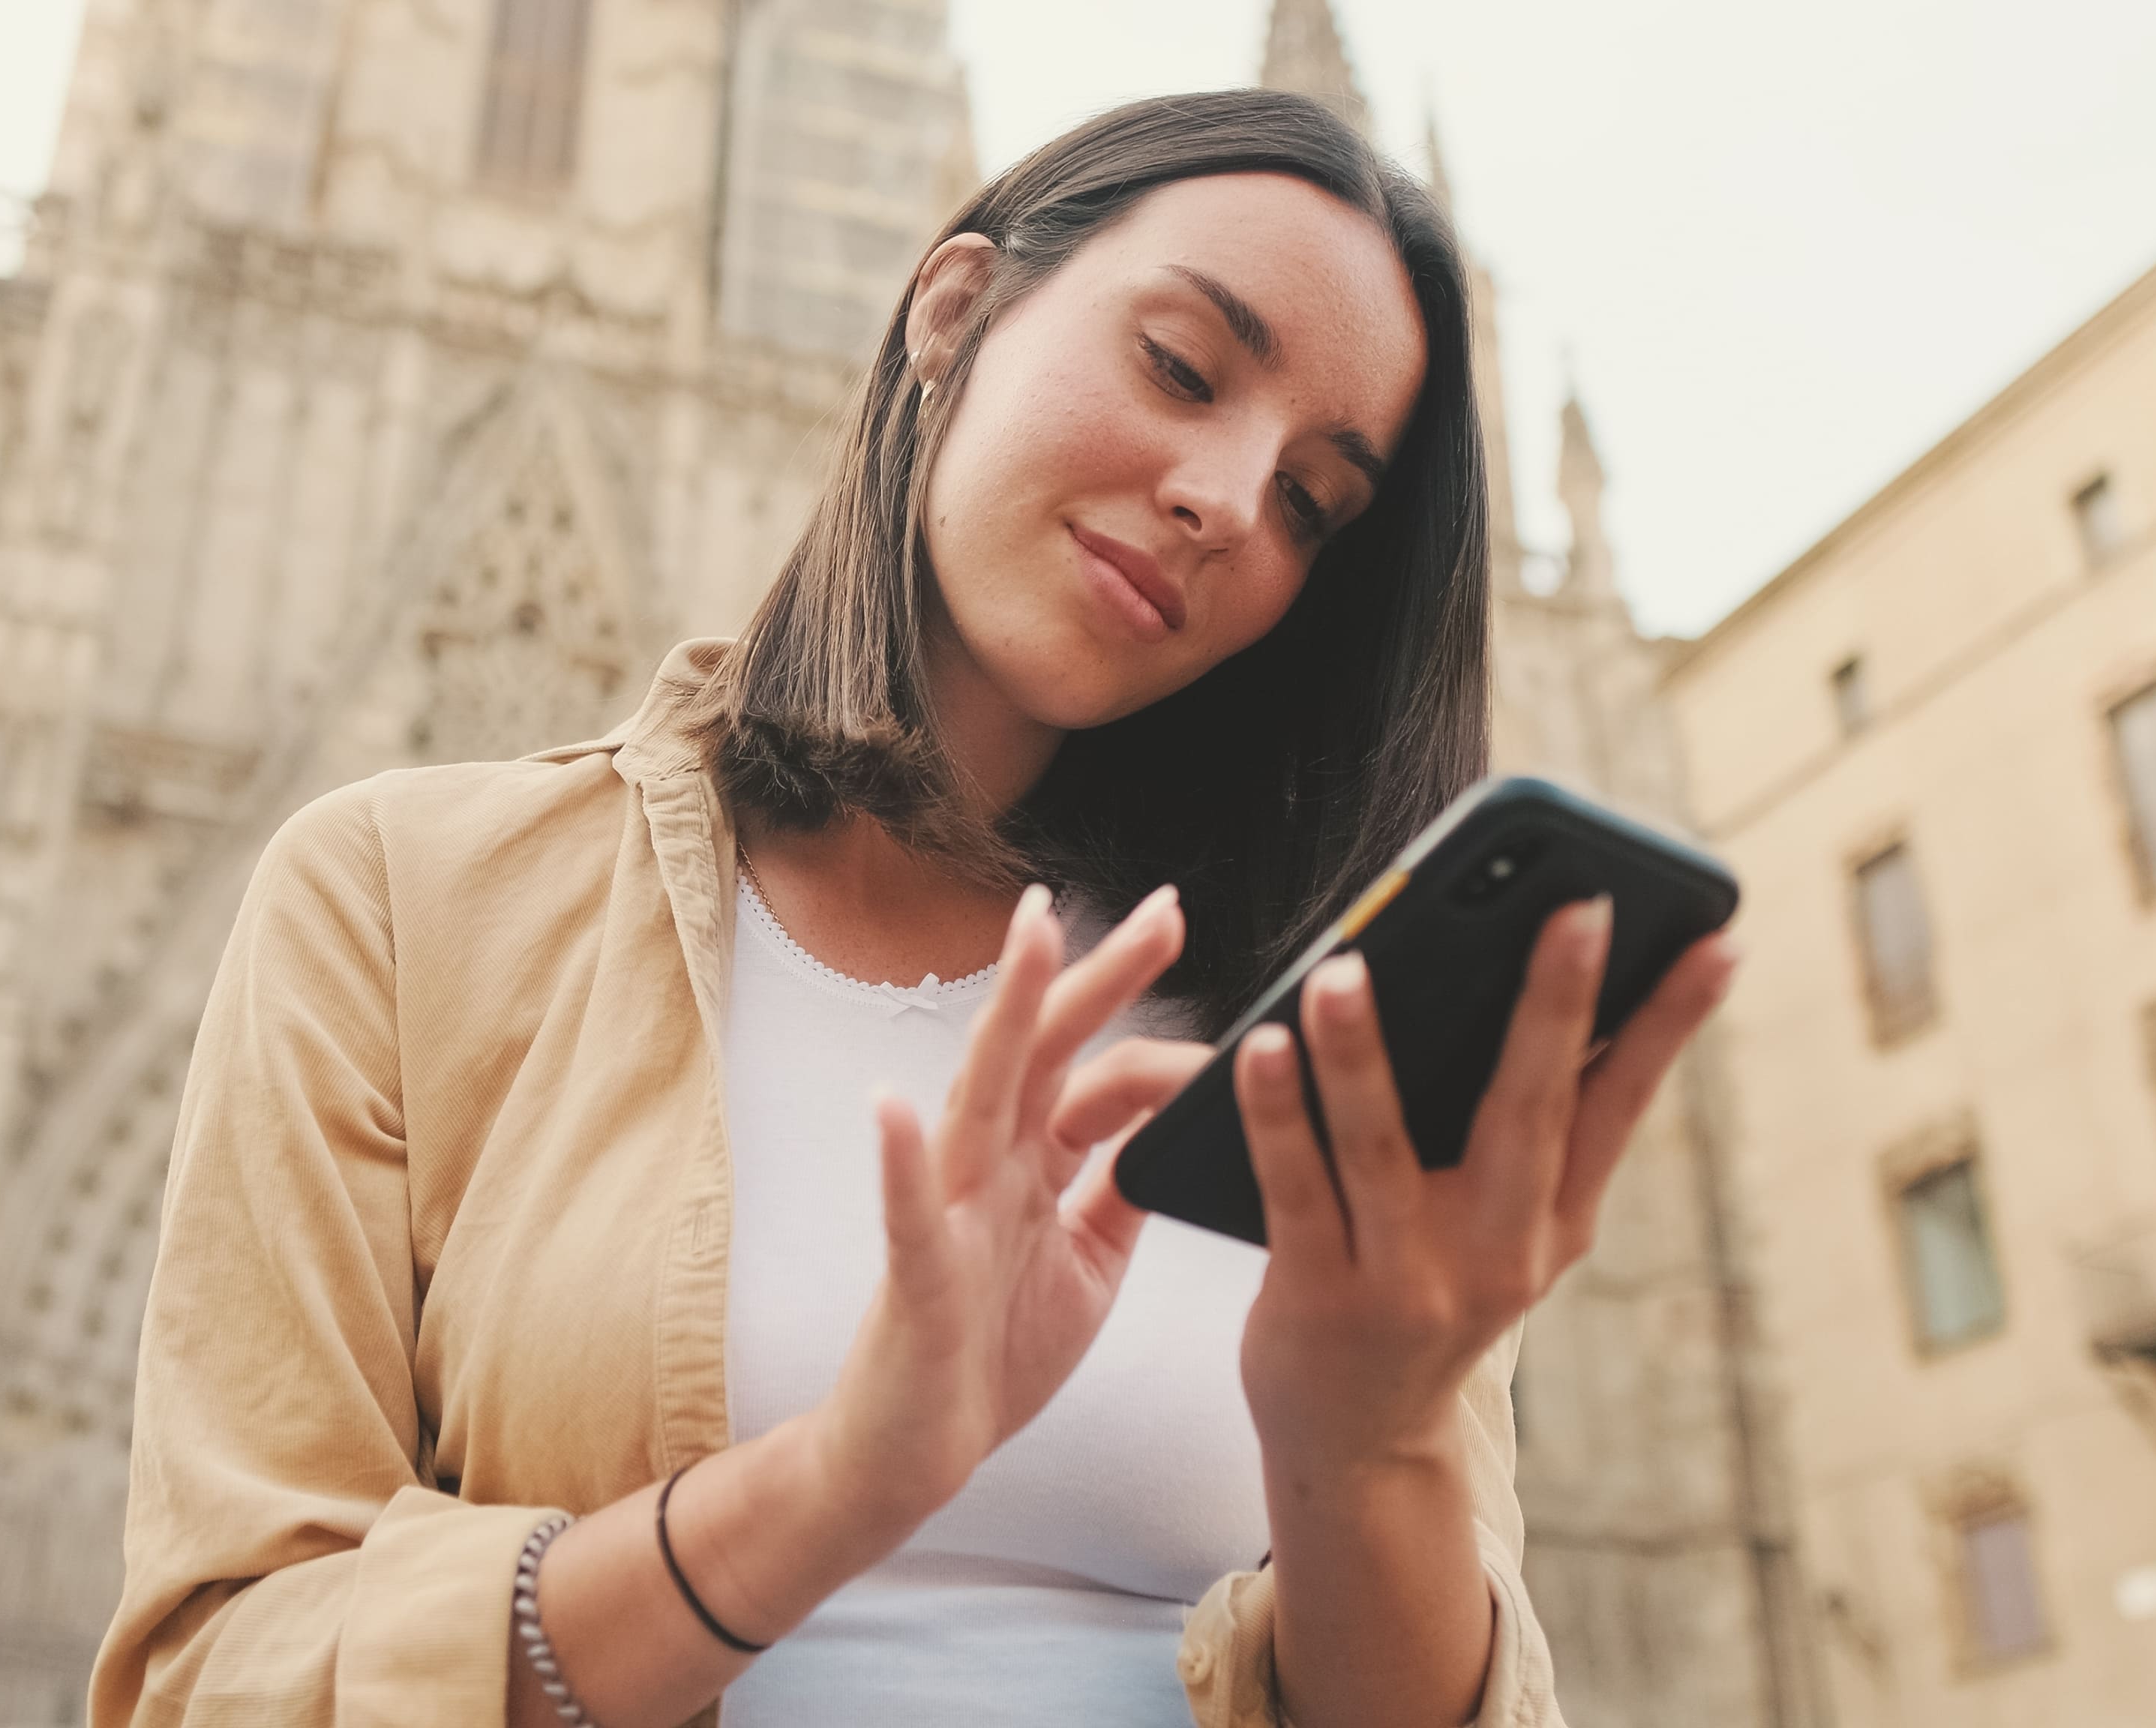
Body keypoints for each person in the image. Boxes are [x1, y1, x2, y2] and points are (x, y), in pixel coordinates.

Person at [91, 88, 1737, 1728]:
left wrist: (1368, 1444)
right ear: (950, 309)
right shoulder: (400, 900)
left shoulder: (1316, 1049)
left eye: (1314, 503)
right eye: (1178, 365)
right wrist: (830, 1486)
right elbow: (207, 1682)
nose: (1228, 498)